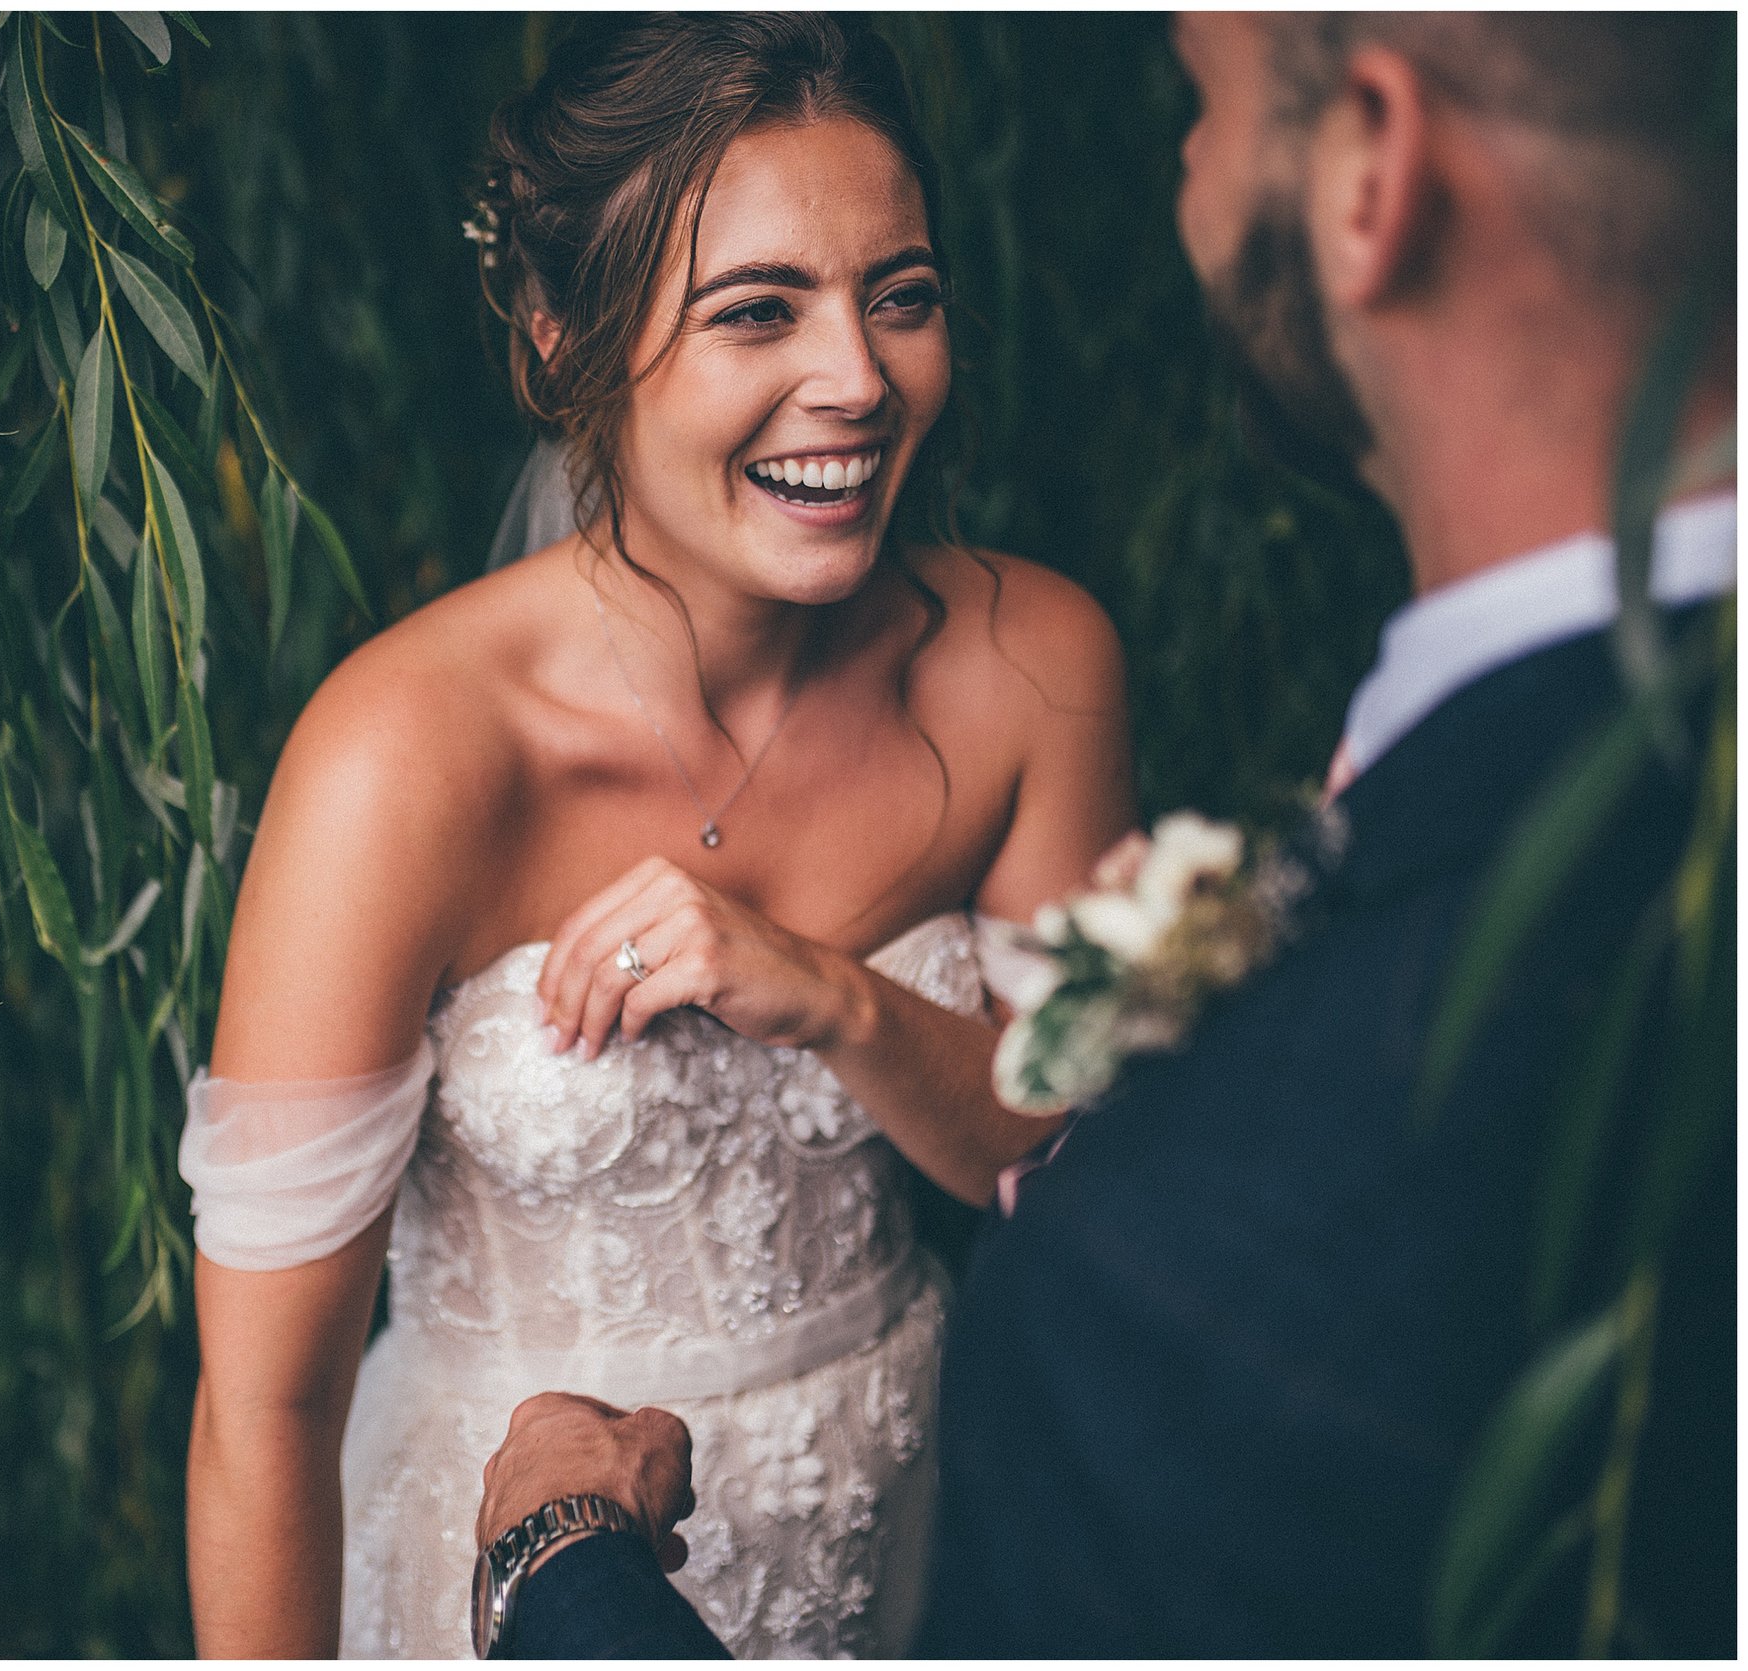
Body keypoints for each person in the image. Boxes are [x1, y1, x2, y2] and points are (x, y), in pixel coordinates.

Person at [475, 10, 1736, 1657]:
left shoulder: (1186, 1278)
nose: (1186, 182)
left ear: (1373, 163)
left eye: (1198, 104)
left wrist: (556, 1563)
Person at [178, 14, 1135, 1658]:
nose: (856, 376)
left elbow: (1076, 1172)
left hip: (891, 1518)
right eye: (756, 311)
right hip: (496, 1582)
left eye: (898, 295)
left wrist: (833, 995)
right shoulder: (403, 757)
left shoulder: (1032, 669)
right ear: (561, 343)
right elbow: (263, 1415)